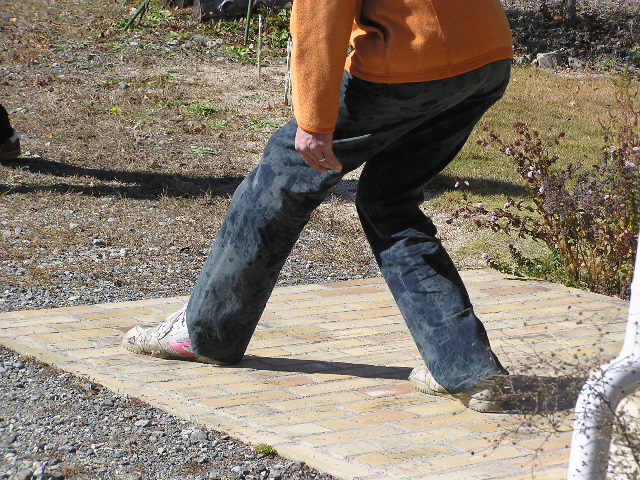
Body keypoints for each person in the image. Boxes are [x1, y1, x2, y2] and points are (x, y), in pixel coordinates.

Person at [124, 0, 514, 412]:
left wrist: (314, 121)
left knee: (277, 182)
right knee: (390, 202)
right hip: (485, 57)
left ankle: (208, 334)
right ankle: (465, 368)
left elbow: (321, 14)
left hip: (414, 61)